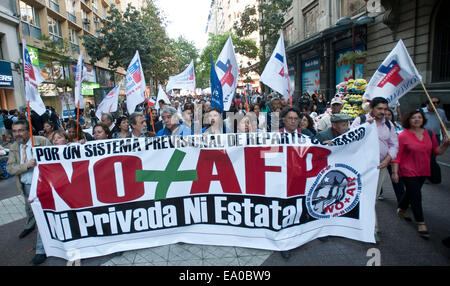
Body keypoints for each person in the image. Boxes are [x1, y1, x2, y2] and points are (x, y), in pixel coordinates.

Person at [392, 109, 450, 238]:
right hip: (408, 170)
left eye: (419, 117)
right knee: (416, 196)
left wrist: (445, 145)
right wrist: (395, 172)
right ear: (408, 120)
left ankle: (401, 209)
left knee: (411, 192)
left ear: (423, 119)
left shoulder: (429, 133)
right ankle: (421, 222)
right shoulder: (403, 135)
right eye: (414, 118)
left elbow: (436, 151)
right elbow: (397, 156)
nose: (417, 119)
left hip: (424, 170)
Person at [351, 97, 399, 242]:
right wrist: (365, 126)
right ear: (371, 108)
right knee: (361, 196)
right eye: (379, 108)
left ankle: (371, 228)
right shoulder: (360, 120)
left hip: (379, 167)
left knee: (372, 198)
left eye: (385, 109)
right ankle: (369, 228)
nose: (383, 112)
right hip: (361, 167)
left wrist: (387, 160)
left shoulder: (389, 125)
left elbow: (394, 144)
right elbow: (351, 139)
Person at [6, 120, 51, 265]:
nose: (17, 134)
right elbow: (10, 169)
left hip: (42, 186)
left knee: (41, 218)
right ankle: (28, 226)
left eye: (21, 130)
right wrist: (27, 165)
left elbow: (55, 158)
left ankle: (41, 250)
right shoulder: (14, 147)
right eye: (14, 131)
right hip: (26, 186)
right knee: (30, 211)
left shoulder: (41, 141)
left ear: (28, 130)